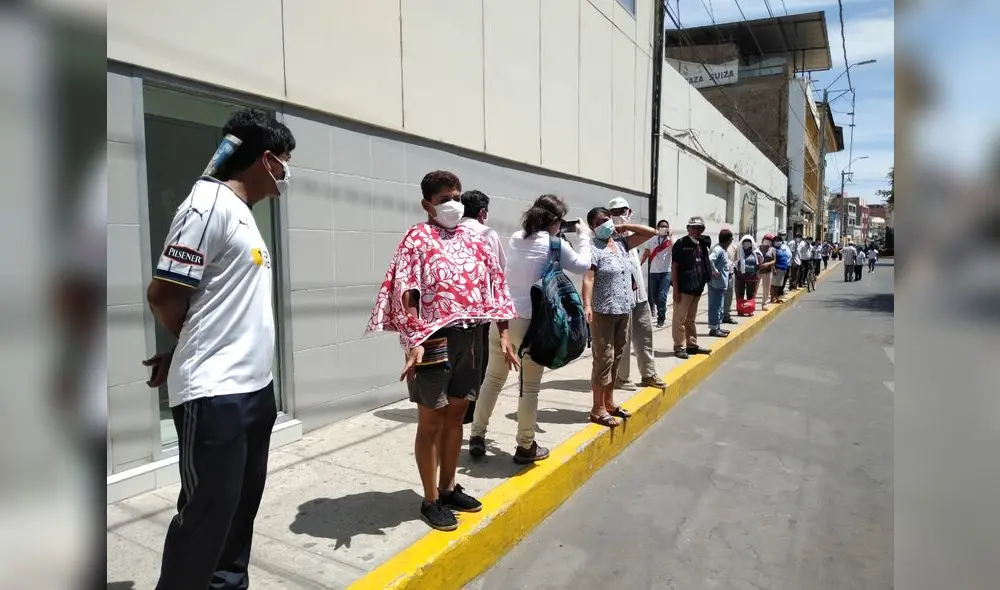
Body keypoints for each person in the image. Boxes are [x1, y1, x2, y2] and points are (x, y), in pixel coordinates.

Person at [142, 109, 295, 590]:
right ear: (266, 159)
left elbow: (217, 304)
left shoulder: (242, 214)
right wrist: (188, 348)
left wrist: (184, 343)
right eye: (286, 161)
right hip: (216, 396)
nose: (287, 173)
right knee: (205, 520)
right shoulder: (206, 206)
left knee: (237, 515)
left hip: (255, 391)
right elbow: (163, 294)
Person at [366, 170, 518, 532]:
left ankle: (449, 488)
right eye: (444, 198)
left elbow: (495, 282)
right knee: (431, 420)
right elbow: (407, 289)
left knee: (456, 414)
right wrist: (413, 339)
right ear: (427, 204)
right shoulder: (417, 238)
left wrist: (504, 332)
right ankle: (430, 498)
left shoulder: (474, 238)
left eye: (457, 196)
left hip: (472, 336)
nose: (453, 204)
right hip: (435, 338)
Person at [470, 195, 592, 463]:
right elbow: (584, 265)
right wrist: (584, 236)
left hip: (503, 319)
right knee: (529, 387)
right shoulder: (555, 244)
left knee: (492, 379)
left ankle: (477, 435)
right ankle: (525, 445)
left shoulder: (516, 238)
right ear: (556, 220)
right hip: (533, 322)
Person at [582, 207, 656, 428]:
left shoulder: (622, 243)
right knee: (603, 359)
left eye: (606, 219)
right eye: (599, 222)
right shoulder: (594, 248)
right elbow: (588, 279)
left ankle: (609, 402)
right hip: (603, 311)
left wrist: (623, 227)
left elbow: (650, 232)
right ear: (592, 227)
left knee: (616, 357)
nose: (604, 224)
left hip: (624, 309)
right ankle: (597, 408)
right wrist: (587, 305)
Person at [458, 190, 506, 425]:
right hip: (479, 309)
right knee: (477, 359)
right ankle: (470, 411)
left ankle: (452, 405)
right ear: (482, 212)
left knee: (456, 357)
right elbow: (499, 269)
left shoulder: (448, 230)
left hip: (452, 309)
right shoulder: (486, 233)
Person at [608, 197, 666, 390]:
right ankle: (621, 378)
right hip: (622, 299)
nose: (619, 216)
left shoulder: (634, 235)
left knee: (645, 337)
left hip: (640, 296)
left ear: (629, 212)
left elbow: (653, 232)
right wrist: (615, 229)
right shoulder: (609, 238)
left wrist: (626, 225)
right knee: (622, 342)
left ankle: (648, 374)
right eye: (614, 213)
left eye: (622, 211)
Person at [671, 217, 713, 358]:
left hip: (697, 289)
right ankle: (678, 347)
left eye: (699, 228)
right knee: (679, 319)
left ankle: (692, 345)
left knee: (691, 319)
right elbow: (675, 267)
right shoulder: (681, 243)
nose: (696, 230)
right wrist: (676, 290)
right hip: (684, 289)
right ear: (688, 228)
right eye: (693, 227)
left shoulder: (702, 244)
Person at [640, 219, 673, 328]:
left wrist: (671, 236)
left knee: (662, 296)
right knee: (654, 296)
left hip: (666, 272)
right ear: (658, 228)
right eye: (662, 226)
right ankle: (661, 309)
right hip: (653, 272)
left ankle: (661, 317)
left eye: (665, 226)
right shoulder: (652, 240)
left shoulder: (670, 240)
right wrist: (638, 265)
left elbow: (675, 248)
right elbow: (645, 254)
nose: (664, 228)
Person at [707, 229, 733, 337]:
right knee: (715, 307)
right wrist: (715, 271)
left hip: (721, 284)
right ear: (728, 240)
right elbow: (710, 259)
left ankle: (717, 327)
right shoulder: (718, 250)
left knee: (720, 307)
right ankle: (713, 329)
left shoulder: (722, 250)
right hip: (716, 284)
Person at [734, 235, 762, 316]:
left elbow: (759, 264)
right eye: (744, 242)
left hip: (752, 278)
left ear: (751, 243)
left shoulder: (756, 253)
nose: (746, 244)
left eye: (748, 242)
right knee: (740, 295)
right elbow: (735, 262)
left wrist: (756, 272)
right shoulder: (738, 252)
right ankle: (740, 310)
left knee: (751, 295)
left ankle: (750, 310)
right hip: (740, 277)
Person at [756, 234, 777, 311]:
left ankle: (764, 303)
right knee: (755, 287)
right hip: (758, 270)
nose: (767, 241)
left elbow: (774, 260)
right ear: (763, 239)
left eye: (769, 240)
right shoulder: (757, 248)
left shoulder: (772, 249)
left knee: (766, 288)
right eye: (766, 239)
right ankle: (752, 302)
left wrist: (767, 264)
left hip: (768, 271)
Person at [722, 234, 739, 326]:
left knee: (729, 296)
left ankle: (726, 316)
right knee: (720, 297)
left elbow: (736, 259)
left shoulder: (734, 248)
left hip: (730, 274)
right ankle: (719, 316)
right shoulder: (717, 248)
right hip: (720, 276)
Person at [772, 235, 791, 303]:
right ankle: (773, 297)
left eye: (779, 241)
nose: (778, 242)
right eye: (776, 241)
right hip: (777, 268)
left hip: (783, 269)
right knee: (774, 285)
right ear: (773, 242)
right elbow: (772, 259)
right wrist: (774, 268)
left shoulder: (781, 249)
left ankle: (776, 297)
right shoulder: (773, 249)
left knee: (779, 285)